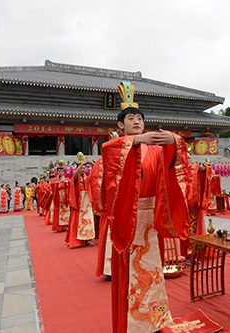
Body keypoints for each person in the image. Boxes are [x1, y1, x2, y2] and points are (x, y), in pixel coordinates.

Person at [100, 82, 189, 332]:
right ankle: (134, 326)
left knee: (155, 274)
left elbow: (176, 162)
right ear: (120, 125)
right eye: (131, 118)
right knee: (133, 275)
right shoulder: (117, 147)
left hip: (150, 219)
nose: (137, 120)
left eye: (140, 117)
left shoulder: (154, 148)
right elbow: (108, 150)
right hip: (128, 220)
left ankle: (159, 317)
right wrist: (137, 140)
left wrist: (174, 140)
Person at [180, 150, 211, 265]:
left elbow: (203, 178)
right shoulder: (179, 171)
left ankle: (194, 254)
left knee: (196, 229)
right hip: (183, 205)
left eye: (188, 158)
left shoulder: (195, 170)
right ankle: (187, 256)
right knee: (185, 231)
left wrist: (204, 171)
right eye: (184, 158)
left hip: (194, 205)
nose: (187, 160)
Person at [65, 153, 95, 248]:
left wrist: (92, 163)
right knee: (78, 221)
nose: (83, 169)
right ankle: (78, 241)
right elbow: (75, 174)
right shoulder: (77, 178)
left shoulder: (88, 178)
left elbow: (96, 172)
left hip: (87, 202)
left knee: (88, 220)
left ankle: (87, 239)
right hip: (79, 201)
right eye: (81, 168)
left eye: (84, 168)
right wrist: (82, 163)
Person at [50, 161, 70, 233]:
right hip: (58, 196)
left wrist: (66, 183)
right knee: (58, 211)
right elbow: (52, 184)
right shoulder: (54, 179)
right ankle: (58, 227)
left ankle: (64, 227)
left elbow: (69, 183)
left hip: (64, 196)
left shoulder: (66, 179)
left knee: (65, 211)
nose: (61, 172)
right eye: (59, 171)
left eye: (62, 171)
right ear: (57, 172)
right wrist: (57, 183)